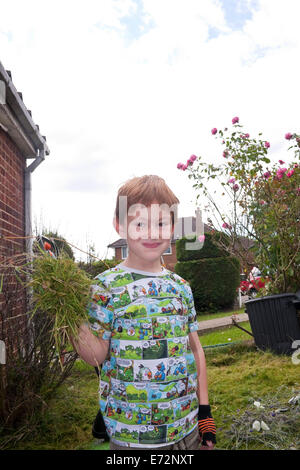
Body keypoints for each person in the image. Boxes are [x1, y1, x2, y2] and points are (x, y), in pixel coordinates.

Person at [72, 175, 216, 450]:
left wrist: (205, 411)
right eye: (140, 223)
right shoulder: (105, 287)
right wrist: (72, 319)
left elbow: (195, 350)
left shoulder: (181, 287)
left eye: (161, 223)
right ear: (120, 226)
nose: (151, 232)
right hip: (131, 438)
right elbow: (95, 356)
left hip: (187, 430)